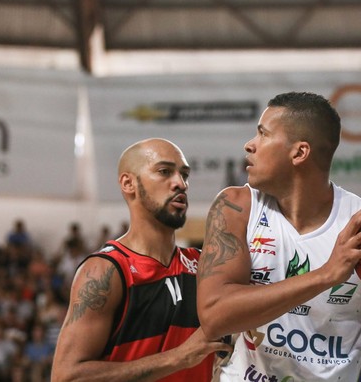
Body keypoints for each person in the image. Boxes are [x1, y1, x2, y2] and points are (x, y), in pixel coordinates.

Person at [197, 91, 361, 380]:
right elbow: (214, 317)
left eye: (263, 134)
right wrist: (326, 275)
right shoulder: (236, 207)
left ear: (299, 152)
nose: (250, 145)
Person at [51, 138, 230, 381]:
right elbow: (67, 377)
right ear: (129, 183)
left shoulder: (203, 266)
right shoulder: (106, 271)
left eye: (184, 175)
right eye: (164, 172)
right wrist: (177, 358)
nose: (180, 183)